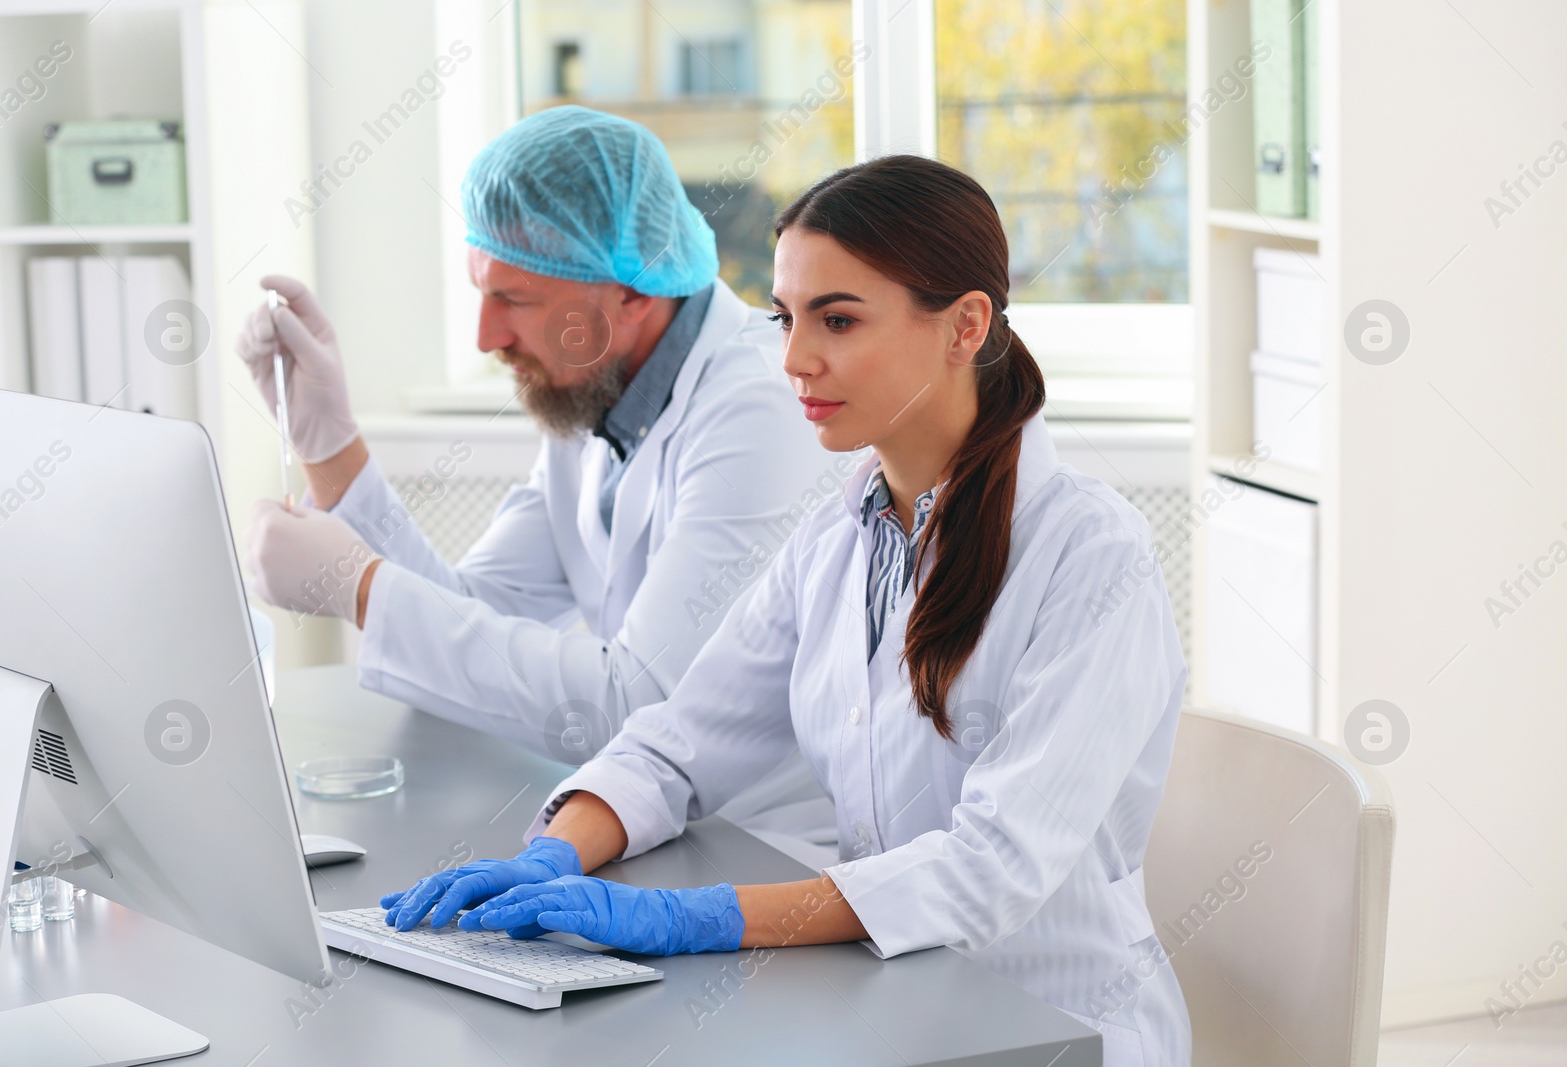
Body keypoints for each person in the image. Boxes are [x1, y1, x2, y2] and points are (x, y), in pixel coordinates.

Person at [376, 154, 1191, 1065]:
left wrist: (699, 916)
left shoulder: (1091, 554)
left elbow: (992, 867)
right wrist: (556, 854)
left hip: (1053, 1029)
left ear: (965, 326)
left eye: (837, 319)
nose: (795, 359)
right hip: (890, 1008)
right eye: (786, 318)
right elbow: (677, 742)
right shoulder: (835, 538)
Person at [237, 107, 840, 865]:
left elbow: (640, 704)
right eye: (482, 294)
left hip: (769, 853)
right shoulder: (597, 398)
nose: (488, 338)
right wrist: (328, 446)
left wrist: (359, 588)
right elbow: (469, 619)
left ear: (629, 292)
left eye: (514, 300)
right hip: (656, 832)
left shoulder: (761, 404)